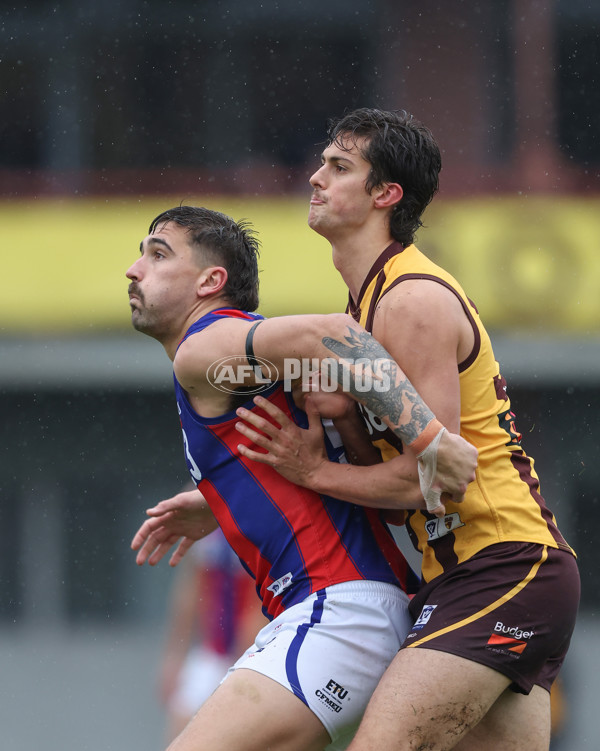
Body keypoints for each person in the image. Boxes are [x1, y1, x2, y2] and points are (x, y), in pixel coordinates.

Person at [233, 108, 580, 751]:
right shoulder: (367, 302)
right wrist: (344, 420)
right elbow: (400, 461)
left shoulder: (411, 299)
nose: (315, 178)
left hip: (504, 568)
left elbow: (438, 482)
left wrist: (312, 472)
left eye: (339, 167)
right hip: (470, 576)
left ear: (385, 195)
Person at [126, 204, 477, 751]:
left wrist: (433, 441)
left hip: (338, 609)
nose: (134, 269)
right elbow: (319, 439)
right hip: (358, 606)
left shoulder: (203, 349)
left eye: (157, 253)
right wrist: (217, 499)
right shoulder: (250, 361)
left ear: (210, 281)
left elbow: (335, 334)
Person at [159, 524, 267, 742]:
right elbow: (191, 590)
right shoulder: (200, 499)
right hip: (211, 651)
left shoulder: (261, 507)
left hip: (255, 653)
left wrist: (239, 667)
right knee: (180, 728)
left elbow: (259, 604)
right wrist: (174, 655)